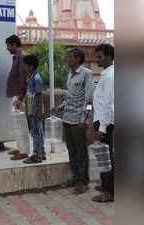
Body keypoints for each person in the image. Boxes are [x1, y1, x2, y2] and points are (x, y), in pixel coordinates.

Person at [52, 48, 94, 194]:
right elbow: (70, 95)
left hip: (78, 120)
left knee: (81, 151)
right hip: (68, 118)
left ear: (78, 59)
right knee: (71, 149)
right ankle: (76, 177)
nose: (67, 59)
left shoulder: (86, 74)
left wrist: (84, 120)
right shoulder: (70, 74)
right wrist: (60, 107)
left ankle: (83, 181)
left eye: (70, 57)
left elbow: (89, 99)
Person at [91, 44, 114, 202]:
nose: (97, 60)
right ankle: (106, 185)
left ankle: (109, 192)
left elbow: (108, 103)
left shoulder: (110, 76)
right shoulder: (108, 73)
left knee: (106, 157)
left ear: (109, 56)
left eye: (100, 57)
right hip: (102, 119)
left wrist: (102, 128)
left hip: (104, 121)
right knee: (103, 156)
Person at [5, 34, 28, 160]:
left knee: (20, 124)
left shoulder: (21, 58)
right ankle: (20, 147)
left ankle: (24, 151)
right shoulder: (17, 57)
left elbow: (23, 80)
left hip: (18, 96)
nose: (7, 49)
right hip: (15, 95)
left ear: (14, 45)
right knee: (16, 123)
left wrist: (20, 98)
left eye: (8, 46)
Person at [21, 55, 46, 164]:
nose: (24, 67)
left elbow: (40, 95)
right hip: (32, 109)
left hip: (36, 110)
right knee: (38, 131)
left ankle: (36, 155)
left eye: (25, 66)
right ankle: (42, 153)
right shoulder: (30, 76)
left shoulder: (36, 78)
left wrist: (40, 111)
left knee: (36, 132)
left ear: (31, 66)